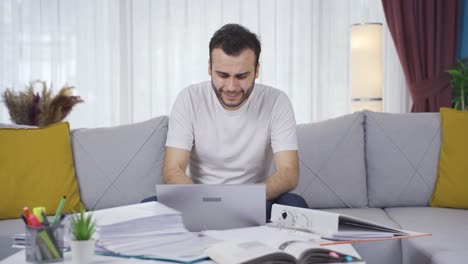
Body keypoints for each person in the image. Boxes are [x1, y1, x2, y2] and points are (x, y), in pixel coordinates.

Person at [143, 23, 308, 220]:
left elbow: (289, 173)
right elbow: (172, 169)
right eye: (222, 75)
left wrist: (241, 199)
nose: (231, 87)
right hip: (200, 202)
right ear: (210, 68)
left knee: (295, 204)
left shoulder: (276, 102)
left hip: (255, 202)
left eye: (241, 76)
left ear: (256, 70)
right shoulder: (189, 98)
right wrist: (209, 200)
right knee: (147, 207)